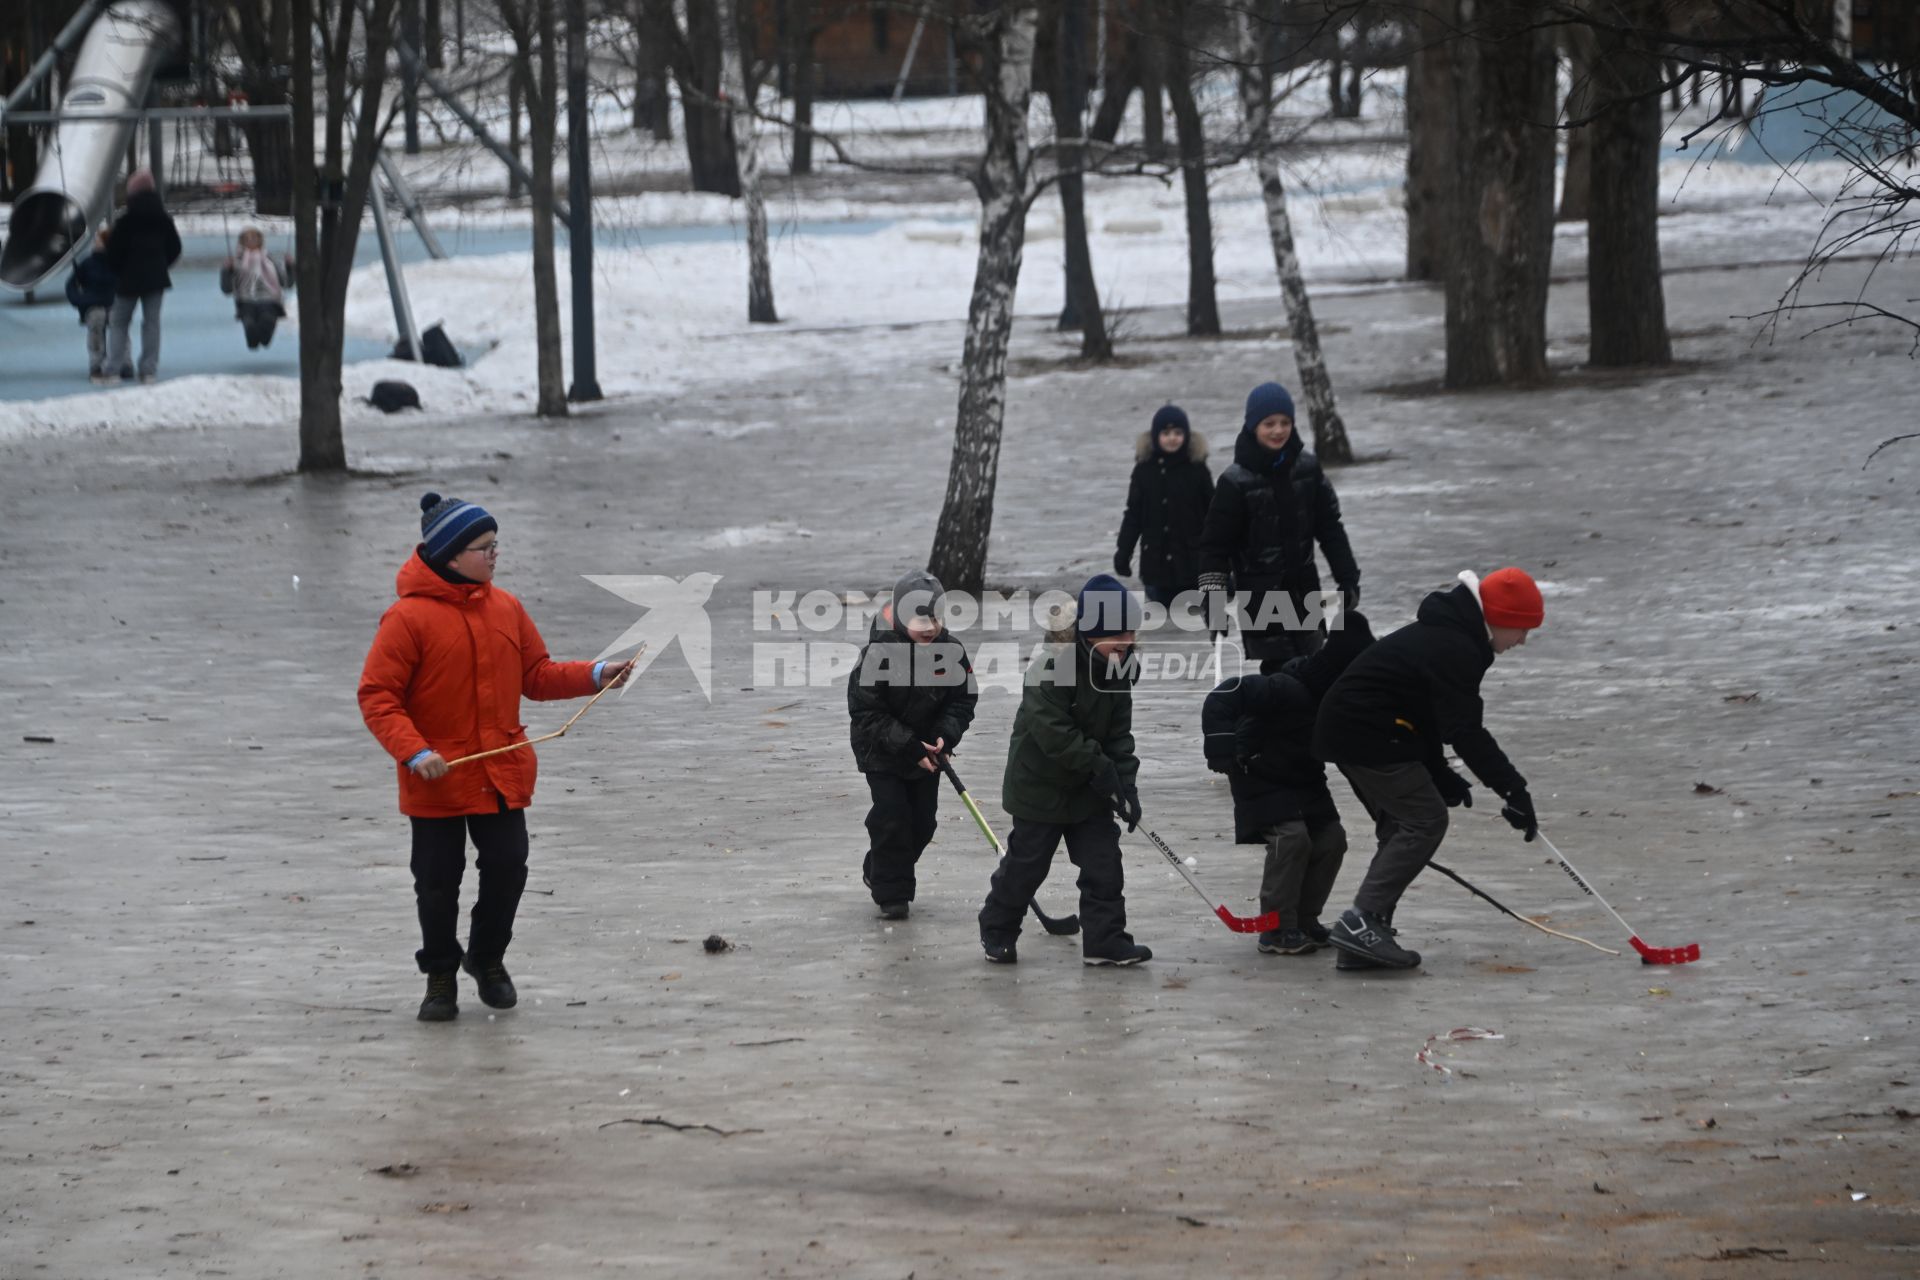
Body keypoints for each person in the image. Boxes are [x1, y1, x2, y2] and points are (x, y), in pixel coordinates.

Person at [358, 493, 634, 1021]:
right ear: (451, 554)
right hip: (437, 777)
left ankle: (486, 959)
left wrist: (596, 674)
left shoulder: (506, 607)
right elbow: (378, 697)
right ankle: (440, 974)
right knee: (437, 884)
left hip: (500, 770)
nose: (494, 555)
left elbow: (536, 675)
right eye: (484, 547)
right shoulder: (406, 619)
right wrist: (415, 752)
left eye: (495, 545)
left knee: (508, 869)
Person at [1313, 568, 1545, 971]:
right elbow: (1465, 731)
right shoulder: (1458, 646)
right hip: (1366, 731)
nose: (1523, 640)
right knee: (1424, 820)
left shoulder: (1454, 635)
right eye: (1521, 629)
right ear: (1498, 618)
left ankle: (1365, 935)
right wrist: (1513, 790)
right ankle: (1362, 921)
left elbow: (1427, 711)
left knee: (1400, 824)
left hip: (1359, 729)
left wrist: (1439, 772)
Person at [978, 574, 1152, 968]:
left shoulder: (1118, 668)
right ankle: (997, 927)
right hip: (1039, 787)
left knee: (1103, 863)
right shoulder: (1051, 670)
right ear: (1090, 633)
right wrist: (1101, 767)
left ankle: (1105, 940)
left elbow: (1119, 735)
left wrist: (1126, 785)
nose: (1126, 643)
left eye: (1130, 634)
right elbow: (1054, 735)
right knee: (1027, 865)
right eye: (1117, 635)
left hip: (1088, 790)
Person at [1201, 611, 1375, 955]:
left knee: (1332, 839)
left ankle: (1303, 921)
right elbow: (1222, 696)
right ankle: (1275, 928)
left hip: (1305, 781)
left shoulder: (1341, 703)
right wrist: (1222, 749)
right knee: (1292, 839)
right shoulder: (1285, 687)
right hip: (1259, 774)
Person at [1198, 382, 1361, 672]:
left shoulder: (1308, 469)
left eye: (1285, 422)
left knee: (1311, 665)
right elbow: (1214, 546)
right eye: (1269, 423)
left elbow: (1329, 528)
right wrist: (1213, 602)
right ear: (1253, 426)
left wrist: (1347, 578)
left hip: (1304, 586)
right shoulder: (1235, 482)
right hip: (1261, 595)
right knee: (1279, 670)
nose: (1278, 431)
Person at [847, 570, 978, 920]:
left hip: (928, 753)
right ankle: (892, 893)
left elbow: (963, 701)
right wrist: (910, 748)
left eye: (935, 617)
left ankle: (878, 865)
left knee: (923, 824)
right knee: (892, 817)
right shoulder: (877, 654)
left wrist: (944, 736)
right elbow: (866, 712)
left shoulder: (951, 651)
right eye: (920, 617)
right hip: (882, 751)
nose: (929, 626)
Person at [1115, 404, 1213, 608]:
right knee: (1164, 618)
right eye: (1166, 432)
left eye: (1178, 432)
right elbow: (1133, 515)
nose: (1172, 438)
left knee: (1192, 621)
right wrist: (1124, 552)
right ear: (1155, 436)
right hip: (1156, 567)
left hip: (1192, 565)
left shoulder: (1197, 469)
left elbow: (1213, 514)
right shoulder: (1144, 471)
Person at [101, 169, 182, 385]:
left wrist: (118, 271)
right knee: (152, 323)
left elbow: (113, 252)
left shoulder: (125, 221)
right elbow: (175, 247)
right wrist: (162, 266)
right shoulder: (163, 219)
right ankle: (148, 370)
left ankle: (113, 368)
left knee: (118, 322)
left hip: (128, 279)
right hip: (156, 278)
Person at [64, 228, 127, 385]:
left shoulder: (118, 262)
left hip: (114, 304)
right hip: (93, 305)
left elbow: (128, 282)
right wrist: (79, 300)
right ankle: (96, 365)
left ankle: (124, 363)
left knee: (118, 324)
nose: (95, 243)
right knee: (96, 322)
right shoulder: (88, 263)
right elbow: (71, 284)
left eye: (99, 240)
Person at [220, 226, 290, 350]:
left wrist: (289, 268)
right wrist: (226, 271)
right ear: (241, 242)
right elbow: (227, 289)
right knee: (249, 320)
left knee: (266, 317)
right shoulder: (237, 262)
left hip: (270, 300)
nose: (250, 241)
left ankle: (264, 335)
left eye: (254, 238)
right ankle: (251, 336)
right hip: (246, 301)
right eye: (246, 238)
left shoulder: (270, 260)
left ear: (260, 240)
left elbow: (286, 283)